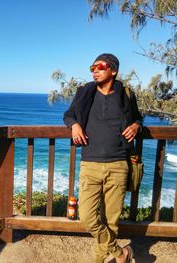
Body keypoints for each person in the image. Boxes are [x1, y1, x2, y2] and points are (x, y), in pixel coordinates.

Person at [63, 53, 142, 263]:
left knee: (111, 221)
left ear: (113, 70)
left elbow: (137, 117)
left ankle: (100, 260)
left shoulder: (126, 94)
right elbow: (68, 115)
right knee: (87, 217)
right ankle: (120, 253)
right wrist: (74, 125)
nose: (95, 70)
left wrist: (135, 125)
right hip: (90, 163)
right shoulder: (84, 93)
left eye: (101, 66)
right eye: (93, 67)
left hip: (118, 164)